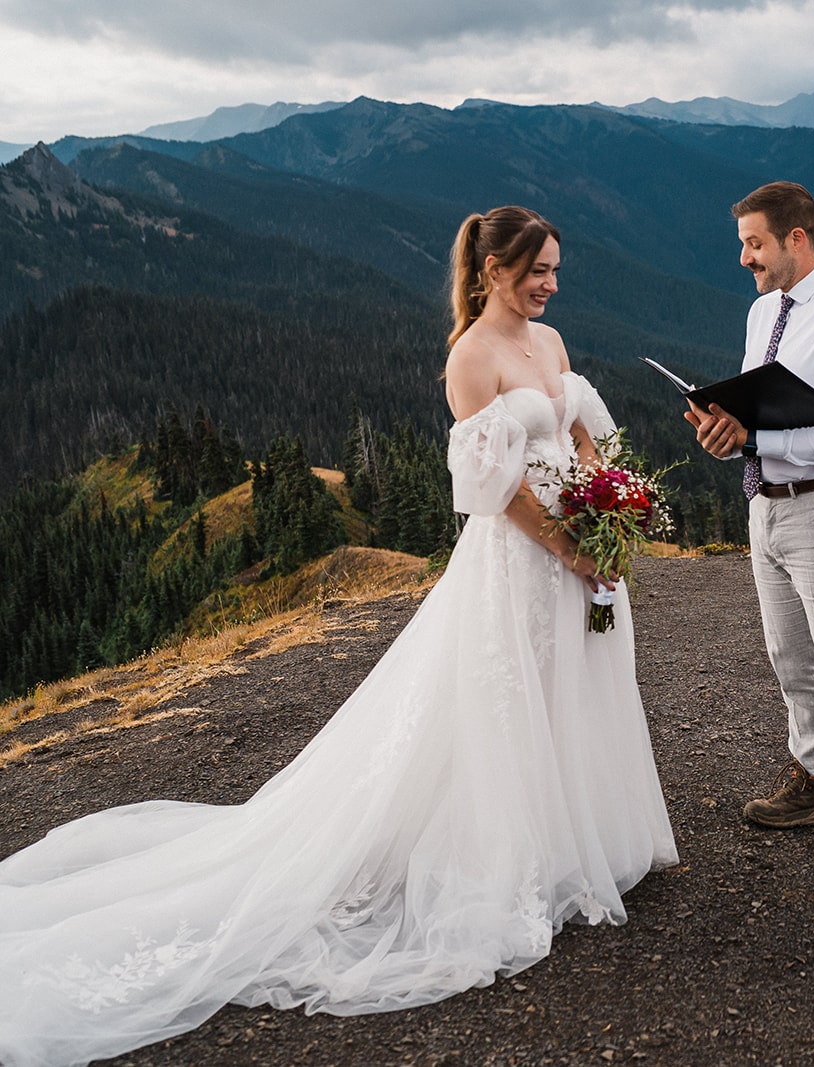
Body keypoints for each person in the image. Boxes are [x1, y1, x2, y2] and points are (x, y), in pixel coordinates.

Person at [0, 206, 678, 1067]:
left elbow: (580, 434)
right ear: (490, 272)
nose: (551, 283)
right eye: (537, 270)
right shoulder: (470, 358)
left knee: (569, 692)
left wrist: (610, 506)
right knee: (508, 703)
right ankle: (509, 859)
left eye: (555, 268)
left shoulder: (551, 344)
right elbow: (497, 489)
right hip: (519, 560)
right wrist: (573, 546)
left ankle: (574, 841)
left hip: (577, 557)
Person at [686, 181, 814, 860]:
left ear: (795, 240)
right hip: (765, 504)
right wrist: (726, 428)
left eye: (754, 244)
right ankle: (811, 780)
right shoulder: (763, 311)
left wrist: (751, 440)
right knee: (788, 655)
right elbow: (764, 410)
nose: (745, 258)